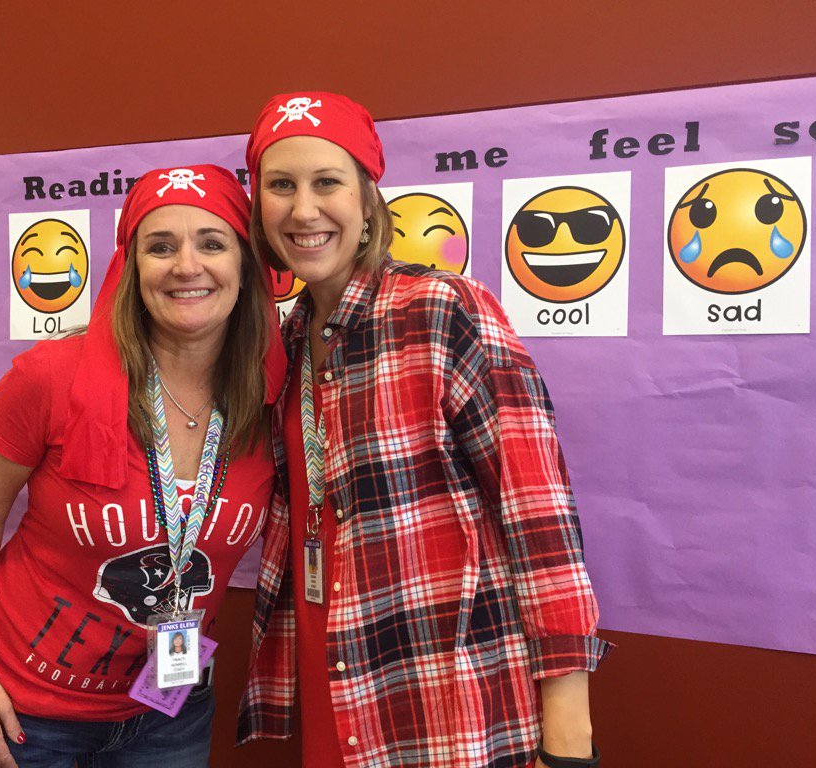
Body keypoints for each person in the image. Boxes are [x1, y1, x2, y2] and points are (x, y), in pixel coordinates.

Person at [236, 92, 613, 768]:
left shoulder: (442, 312)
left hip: (448, 703)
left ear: (367, 197)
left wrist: (568, 734)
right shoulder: (287, 346)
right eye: (280, 186)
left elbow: (541, 519)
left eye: (327, 182)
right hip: (336, 684)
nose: (303, 209)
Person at [0, 164, 285, 768]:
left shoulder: (273, 397)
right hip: (20, 710)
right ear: (132, 266)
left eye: (213, 243)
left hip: (168, 714)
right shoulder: (51, 377)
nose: (187, 266)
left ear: (248, 267)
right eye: (160, 246)